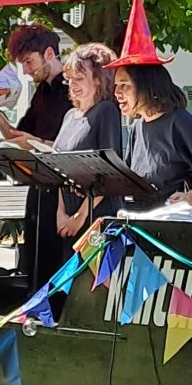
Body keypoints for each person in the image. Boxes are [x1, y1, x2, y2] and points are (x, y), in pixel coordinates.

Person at [108, 0, 192, 214]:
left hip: (185, 228)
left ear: (146, 85)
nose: (117, 93)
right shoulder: (137, 127)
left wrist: (189, 197)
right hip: (148, 223)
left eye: (124, 85)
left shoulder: (180, 122)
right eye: (116, 85)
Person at [0, 24, 73, 290]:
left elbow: (73, 146)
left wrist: (34, 142)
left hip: (65, 191)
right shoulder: (41, 93)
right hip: (38, 187)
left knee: (57, 265)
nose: (27, 70)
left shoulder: (73, 88)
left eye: (29, 61)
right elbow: (17, 135)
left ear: (50, 53)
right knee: (34, 260)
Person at [54, 42, 123, 242]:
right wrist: (61, 213)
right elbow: (59, 170)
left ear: (99, 79)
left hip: (98, 216)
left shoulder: (106, 111)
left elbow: (109, 171)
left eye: (80, 78)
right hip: (68, 217)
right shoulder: (69, 116)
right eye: (70, 79)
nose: (73, 85)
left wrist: (81, 216)